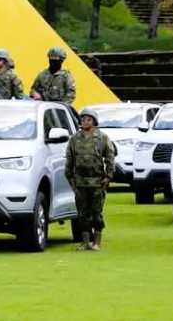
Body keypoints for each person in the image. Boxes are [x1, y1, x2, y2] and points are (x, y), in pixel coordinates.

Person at [65, 108, 115, 251]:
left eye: (88, 119)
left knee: (96, 213)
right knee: (82, 213)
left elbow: (110, 156)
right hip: (80, 182)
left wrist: (108, 176)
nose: (85, 122)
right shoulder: (74, 139)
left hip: (97, 181)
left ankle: (97, 241)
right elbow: (70, 159)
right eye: (82, 120)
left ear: (94, 121)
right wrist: (70, 177)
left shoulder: (102, 137)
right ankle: (85, 240)